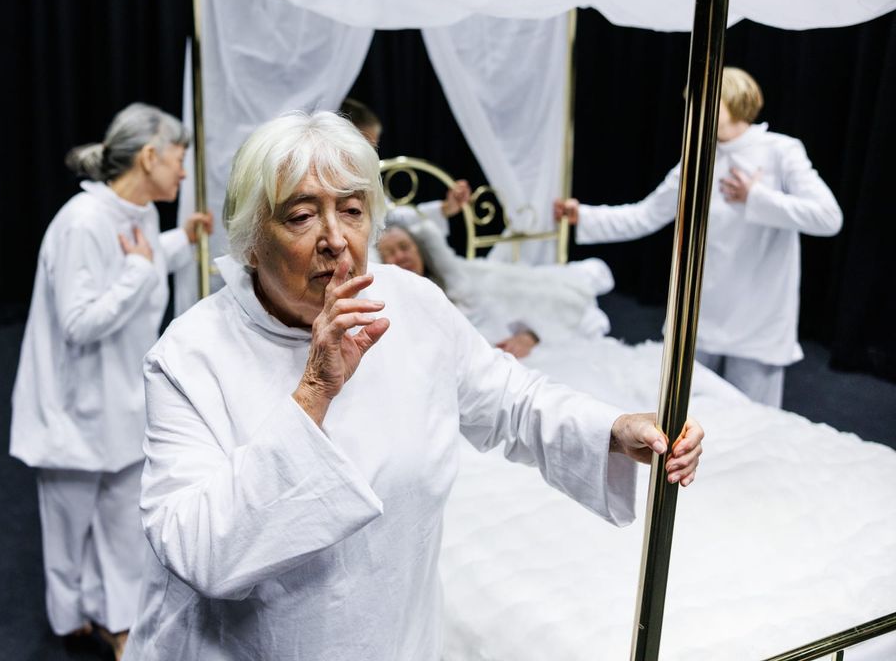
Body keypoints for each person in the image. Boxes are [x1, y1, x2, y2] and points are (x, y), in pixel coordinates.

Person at [122, 111, 703, 660]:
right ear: (249, 238)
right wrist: (315, 391)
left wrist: (612, 429)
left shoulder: (411, 302)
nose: (334, 238)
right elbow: (196, 549)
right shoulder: (189, 356)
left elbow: (510, 400)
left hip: (394, 633)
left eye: (351, 210)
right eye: (300, 215)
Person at [9, 103, 214, 658]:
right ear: (149, 157)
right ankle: (69, 615)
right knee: (68, 523)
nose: (183, 173)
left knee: (124, 522)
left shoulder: (141, 214)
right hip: (73, 409)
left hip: (123, 399)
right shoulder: (82, 222)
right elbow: (80, 322)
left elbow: (141, 265)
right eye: (178, 159)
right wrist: (143, 269)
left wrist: (176, 244)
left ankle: (118, 620)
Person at [554, 68, 842, 408]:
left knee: (754, 424)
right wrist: (585, 215)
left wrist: (756, 198)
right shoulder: (696, 158)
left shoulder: (781, 151)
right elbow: (647, 215)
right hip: (701, 314)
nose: (696, 107)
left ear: (734, 99)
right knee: (688, 417)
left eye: (708, 99)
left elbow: (828, 218)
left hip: (758, 315)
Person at [376, 219, 613, 358]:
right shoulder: (389, 307)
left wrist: (529, 336)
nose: (400, 256)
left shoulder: (460, 284)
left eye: (405, 247)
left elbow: (505, 313)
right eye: (389, 253)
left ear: (420, 250)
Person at [341, 96, 472, 236]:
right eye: (365, 145)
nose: (371, 155)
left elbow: (392, 218)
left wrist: (445, 208)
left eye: (373, 148)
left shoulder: (366, 183)